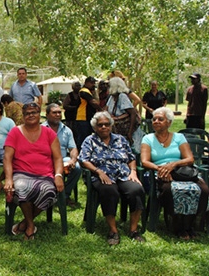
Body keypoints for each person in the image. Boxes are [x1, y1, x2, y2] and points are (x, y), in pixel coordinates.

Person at [141, 107, 209, 239]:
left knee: (204, 189)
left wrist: (173, 164)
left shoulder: (179, 137)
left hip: (182, 171)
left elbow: (189, 159)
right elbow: (145, 162)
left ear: (169, 122)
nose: (156, 121)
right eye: (154, 119)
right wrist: (161, 169)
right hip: (160, 172)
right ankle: (178, 226)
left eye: (160, 119)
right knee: (168, 189)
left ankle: (190, 224)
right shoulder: (148, 139)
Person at [78, 111, 145, 245]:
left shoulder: (120, 139)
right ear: (95, 127)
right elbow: (83, 160)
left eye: (106, 124)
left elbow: (131, 158)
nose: (104, 127)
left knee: (137, 189)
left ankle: (133, 230)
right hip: (102, 176)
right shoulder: (90, 141)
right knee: (109, 191)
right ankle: (113, 231)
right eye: (100, 125)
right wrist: (98, 172)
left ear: (111, 125)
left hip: (123, 174)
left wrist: (133, 172)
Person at [3, 102, 64, 240]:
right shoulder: (15, 132)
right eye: (27, 113)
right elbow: (7, 158)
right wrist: (8, 178)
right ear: (23, 116)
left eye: (34, 112)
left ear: (39, 114)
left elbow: (58, 158)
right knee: (21, 188)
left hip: (45, 175)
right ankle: (30, 226)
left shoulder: (49, 133)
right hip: (22, 173)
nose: (31, 115)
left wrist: (58, 175)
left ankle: (25, 222)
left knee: (49, 191)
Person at [42, 103, 82, 206]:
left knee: (77, 167)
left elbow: (73, 148)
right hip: (45, 159)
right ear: (47, 115)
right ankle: (48, 195)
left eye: (59, 112)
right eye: (54, 112)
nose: (58, 115)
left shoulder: (67, 130)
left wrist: (72, 160)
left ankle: (64, 195)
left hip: (63, 159)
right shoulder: (40, 129)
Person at [106, 77, 139, 143]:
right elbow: (106, 109)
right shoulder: (112, 97)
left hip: (123, 131)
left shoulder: (122, 96)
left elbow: (133, 113)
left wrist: (130, 133)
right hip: (115, 130)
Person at [75, 76, 102, 151]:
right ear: (86, 83)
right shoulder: (84, 91)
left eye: (94, 83)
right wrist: (101, 110)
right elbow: (93, 102)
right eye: (91, 83)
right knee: (83, 138)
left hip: (87, 117)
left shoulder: (89, 91)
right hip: (83, 117)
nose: (93, 84)